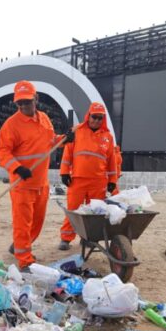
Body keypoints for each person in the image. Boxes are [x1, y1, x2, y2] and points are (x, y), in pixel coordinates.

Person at [0, 80, 73, 269]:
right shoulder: (11, 125)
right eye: (19, 103)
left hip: (41, 183)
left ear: (36, 99)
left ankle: (20, 246)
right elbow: (2, 151)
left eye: (27, 102)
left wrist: (65, 139)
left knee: (36, 224)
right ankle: (24, 261)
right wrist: (17, 167)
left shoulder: (45, 119)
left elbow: (51, 141)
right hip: (22, 184)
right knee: (23, 224)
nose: (23, 106)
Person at [58, 102, 118, 250]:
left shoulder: (108, 137)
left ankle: (88, 238)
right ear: (88, 116)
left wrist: (112, 181)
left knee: (94, 214)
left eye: (100, 118)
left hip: (98, 182)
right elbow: (67, 154)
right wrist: (64, 172)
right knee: (73, 210)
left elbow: (112, 162)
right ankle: (66, 238)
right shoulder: (77, 131)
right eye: (94, 117)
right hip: (77, 180)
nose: (96, 120)